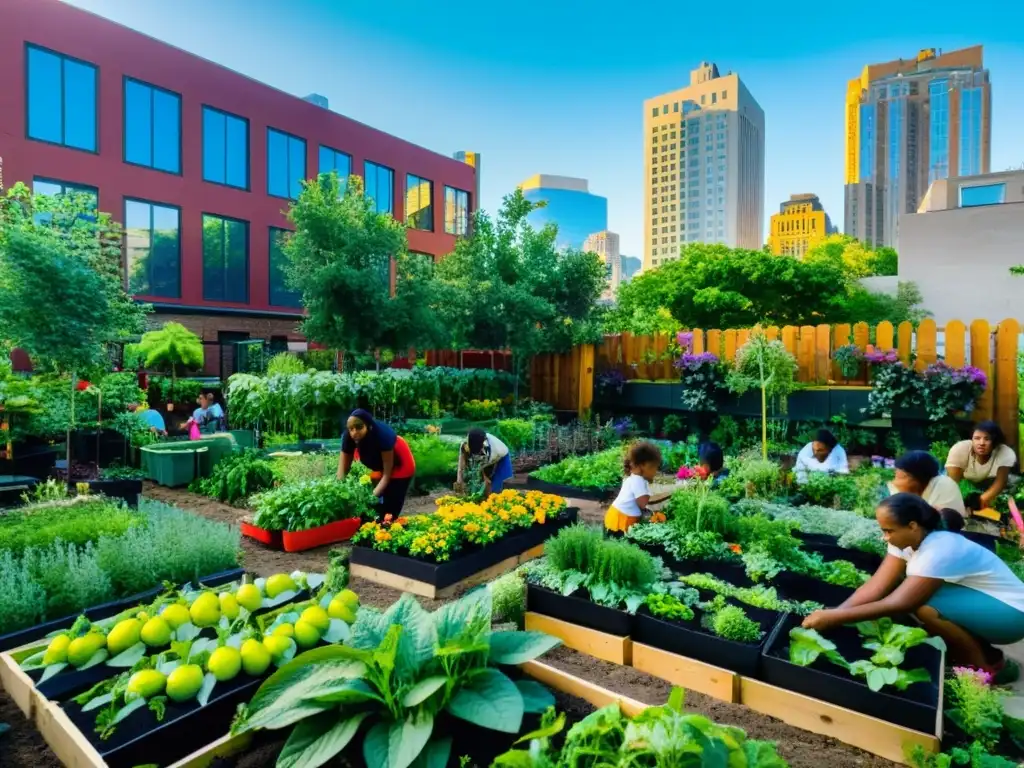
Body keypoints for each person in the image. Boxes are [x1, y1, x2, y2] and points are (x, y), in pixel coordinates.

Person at [802, 493, 1024, 682]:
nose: (884, 537)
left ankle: (983, 671)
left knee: (924, 605)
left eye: (889, 531)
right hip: (984, 601)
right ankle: (986, 655)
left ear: (912, 526)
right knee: (912, 594)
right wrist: (835, 613)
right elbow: (876, 587)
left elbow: (902, 602)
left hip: (1012, 614)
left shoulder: (939, 548)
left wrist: (836, 618)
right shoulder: (908, 540)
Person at [337, 409, 416, 517]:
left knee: (389, 512)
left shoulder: (383, 436)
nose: (354, 432)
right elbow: (342, 471)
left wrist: (369, 499)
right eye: (351, 429)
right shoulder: (348, 437)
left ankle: (387, 527)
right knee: (375, 509)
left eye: (359, 427)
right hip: (380, 465)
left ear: (368, 426)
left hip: (401, 464)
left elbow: (387, 475)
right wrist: (339, 494)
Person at [945, 421, 1017, 512]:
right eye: (977, 438)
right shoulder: (960, 449)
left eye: (987, 439)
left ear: (995, 442)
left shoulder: (1005, 452)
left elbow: (1000, 482)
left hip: (992, 480)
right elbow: (952, 482)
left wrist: (979, 501)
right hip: (966, 478)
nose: (981, 443)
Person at [604, 441, 674, 534]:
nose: (655, 471)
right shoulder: (638, 481)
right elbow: (643, 504)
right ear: (643, 465)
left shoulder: (634, 477)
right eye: (654, 467)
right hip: (622, 520)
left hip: (618, 516)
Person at [888, 450, 966, 517]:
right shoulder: (919, 489)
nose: (895, 483)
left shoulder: (944, 486)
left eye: (900, 477)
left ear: (917, 479)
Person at [457, 429, 513, 498]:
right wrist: (459, 482)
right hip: (485, 459)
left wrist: (486, 478)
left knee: (498, 490)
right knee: (477, 486)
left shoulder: (495, 450)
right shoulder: (465, 445)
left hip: (502, 457)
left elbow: (483, 469)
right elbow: (461, 466)